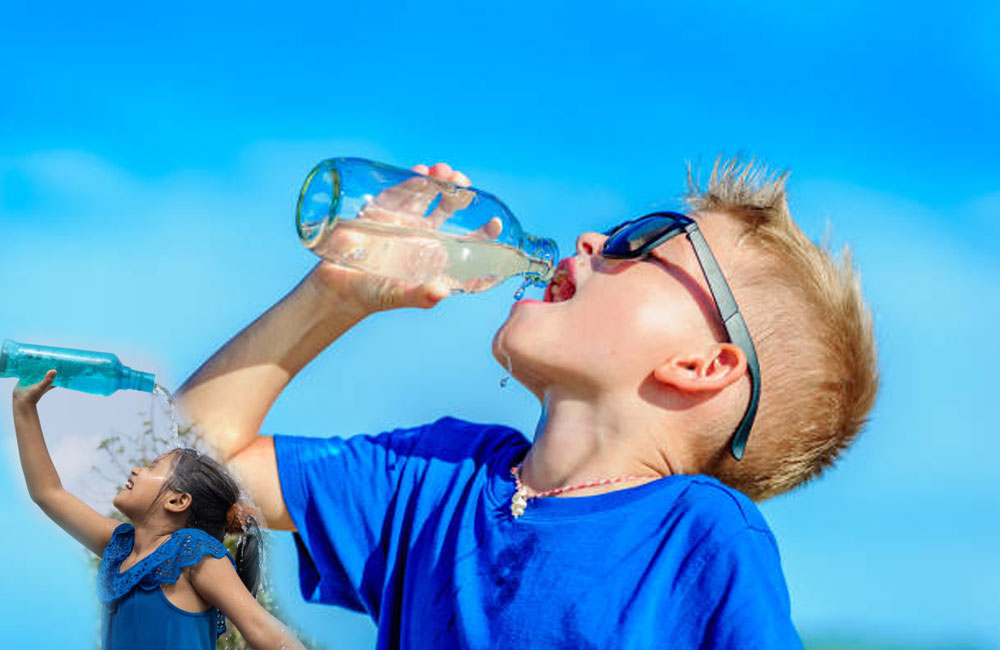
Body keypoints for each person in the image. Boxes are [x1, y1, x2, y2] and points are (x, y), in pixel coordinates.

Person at [178, 157, 878, 648]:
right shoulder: (436, 479)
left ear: (701, 366)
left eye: (643, 242)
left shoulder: (697, 538)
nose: (593, 239)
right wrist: (331, 297)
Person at [10, 369, 306, 650]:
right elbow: (48, 493)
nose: (136, 470)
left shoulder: (193, 552)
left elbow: (260, 627)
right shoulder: (122, 546)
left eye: (152, 467)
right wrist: (24, 406)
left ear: (177, 501)